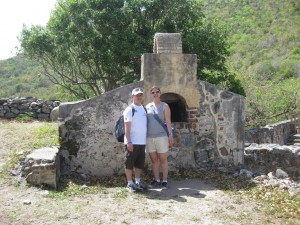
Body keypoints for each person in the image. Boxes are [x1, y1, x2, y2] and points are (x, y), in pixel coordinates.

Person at [146, 86, 173, 189]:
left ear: (160, 93)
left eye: (157, 92)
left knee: (163, 159)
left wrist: (170, 135)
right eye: (153, 92)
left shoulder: (165, 106)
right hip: (149, 137)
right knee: (154, 160)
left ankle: (165, 180)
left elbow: (168, 121)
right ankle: (157, 179)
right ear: (151, 94)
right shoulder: (147, 106)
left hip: (162, 136)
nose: (155, 93)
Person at [123, 87, 148, 192]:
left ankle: (137, 182)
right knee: (129, 163)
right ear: (132, 97)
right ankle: (129, 183)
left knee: (139, 164)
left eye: (140, 95)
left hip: (142, 142)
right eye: (137, 95)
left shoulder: (143, 108)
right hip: (132, 142)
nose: (139, 97)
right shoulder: (130, 109)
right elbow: (127, 128)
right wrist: (129, 142)